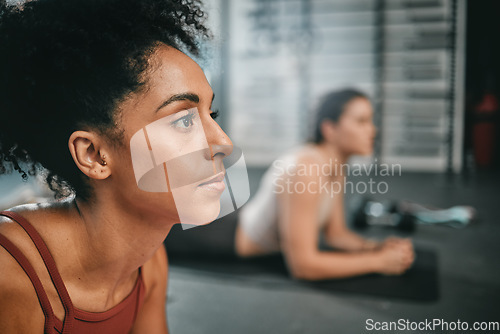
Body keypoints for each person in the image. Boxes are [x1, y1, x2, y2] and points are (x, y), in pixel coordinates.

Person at [0, 0, 230, 333]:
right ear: (93, 154)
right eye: (183, 121)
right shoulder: (9, 275)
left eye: (212, 115)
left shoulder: (149, 262)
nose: (224, 143)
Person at [167, 88, 415, 280]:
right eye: (361, 121)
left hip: (236, 217)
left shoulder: (336, 165)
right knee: (153, 237)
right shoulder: (307, 169)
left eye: (370, 121)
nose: (373, 130)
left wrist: (374, 247)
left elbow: (335, 233)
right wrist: (379, 262)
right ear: (329, 129)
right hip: (221, 233)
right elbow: (304, 266)